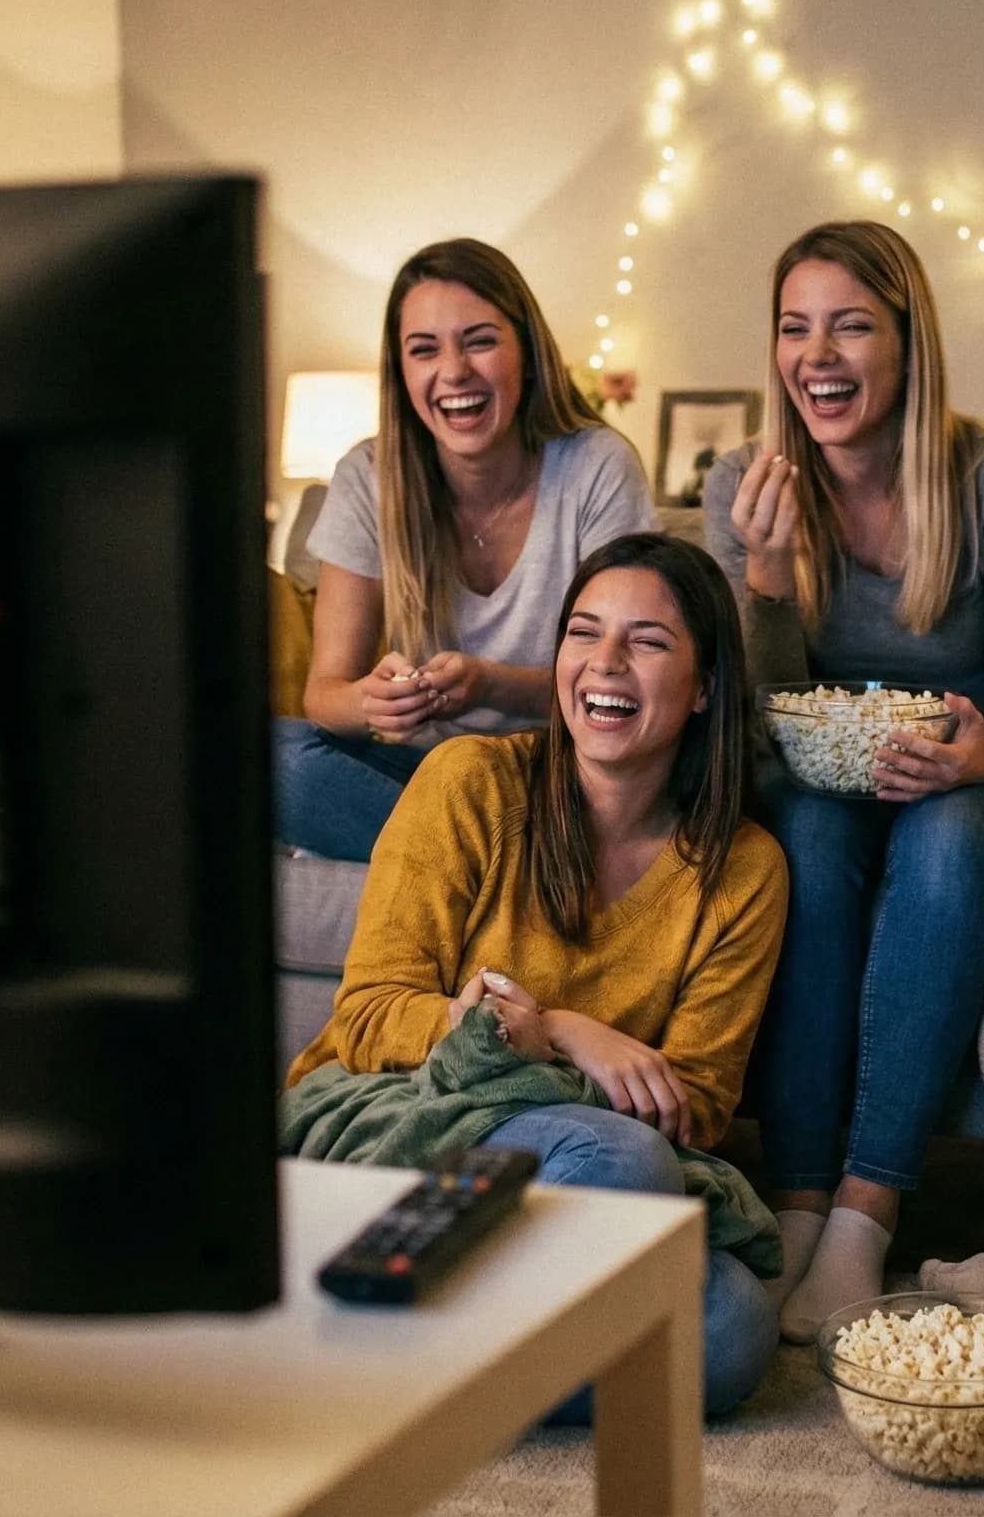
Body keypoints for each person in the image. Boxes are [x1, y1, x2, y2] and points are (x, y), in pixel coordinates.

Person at [287, 532, 788, 1418]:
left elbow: (696, 1105)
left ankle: (389, 1355)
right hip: (401, 1124)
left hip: (573, 1174)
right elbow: (368, 1020)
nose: (605, 663)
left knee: (735, 1327)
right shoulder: (470, 781)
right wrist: (558, 1030)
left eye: (649, 641)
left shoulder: (741, 869)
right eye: (584, 633)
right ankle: (448, 1349)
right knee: (625, 1159)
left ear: (706, 686)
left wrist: (540, 1048)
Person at [701, 219, 984, 1341]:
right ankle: (799, 1207)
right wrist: (764, 583)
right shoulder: (740, 486)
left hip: (974, 775)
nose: (818, 355)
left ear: (908, 345)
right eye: (794, 327)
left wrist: (974, 756)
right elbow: (762, 723)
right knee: (801, 842)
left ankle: (866, 1215)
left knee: (944, 844)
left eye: (851, 326)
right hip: (821, 777)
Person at [277, 238, 657, 860]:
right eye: (424, 349)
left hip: (563, 778)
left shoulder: (595, 467)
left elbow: (627, 681)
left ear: (528, 354)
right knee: (274, 759)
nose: (453, 372)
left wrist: (489, 686)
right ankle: (503, 872)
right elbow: (325, 693)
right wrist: (373, 704)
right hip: (428, 776)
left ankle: (471, 866)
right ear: (401, 371)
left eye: (479, 340)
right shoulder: (368, 477)